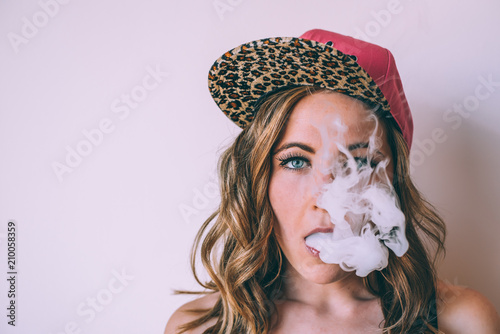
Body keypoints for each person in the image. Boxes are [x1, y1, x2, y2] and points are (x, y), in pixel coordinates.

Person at [165, 29, 500, 333]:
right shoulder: (198, 328)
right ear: (258, 179)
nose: (326, 196)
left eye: (358, 163)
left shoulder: (462, 320)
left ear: (391, 183)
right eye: (296, 161)